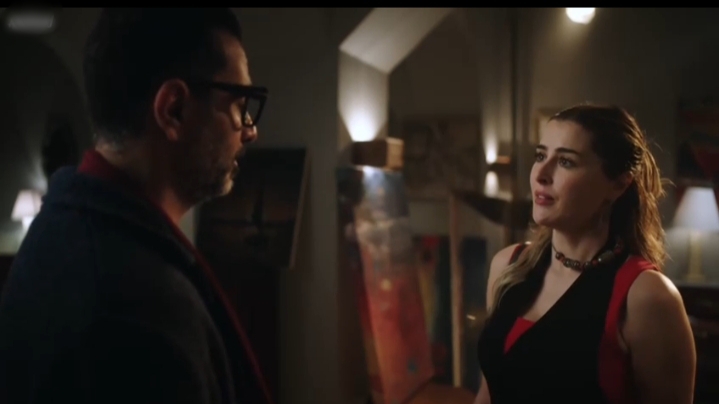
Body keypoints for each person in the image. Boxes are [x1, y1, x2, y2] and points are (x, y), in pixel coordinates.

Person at [0, 8, 272, 404]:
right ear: (174, 110)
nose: (250, 130)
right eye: (239, 104)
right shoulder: (137, 308)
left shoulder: (62, 228)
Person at [475, 104, 696, 404]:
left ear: (618, 184)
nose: (541, 174)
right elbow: (488, 391)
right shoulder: (508, 266)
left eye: (566, 161)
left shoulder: (646, 296)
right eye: (540, 156)